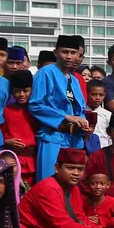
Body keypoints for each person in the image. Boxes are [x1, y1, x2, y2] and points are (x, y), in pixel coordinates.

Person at [19, 148, 114, 228]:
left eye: (80, 169)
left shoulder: (73, 188)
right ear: (57, 168)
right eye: (70, 168)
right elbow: (63, 224)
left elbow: (79, 218)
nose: (76, 173)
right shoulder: (48, 188)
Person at [30, 35, 91, 182]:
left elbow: (79, 110)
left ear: (78, 55)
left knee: (71, 185)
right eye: (65, 52)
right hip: (53, 136)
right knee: (48, 183)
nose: (69, 56)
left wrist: (84, 124)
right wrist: (65, 116)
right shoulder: (46, 73)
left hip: (73, 139)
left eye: (73, 52)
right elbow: (35, 105)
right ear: (56, 52)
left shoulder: (74, 80)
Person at [1, 70, 38, 184]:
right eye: (17, 91)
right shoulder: (6, 111)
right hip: (12, 160)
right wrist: (7, 141)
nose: (22, 94)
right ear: (11, 91)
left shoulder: (37, 111)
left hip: (33, 160)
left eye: (26, 91)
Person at [86, 79, 112, 151]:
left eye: (101, 95)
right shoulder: (81, 113)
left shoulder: (108, 115)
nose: (97, 98)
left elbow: (110, 137)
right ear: (87, 93)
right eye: (94, 94)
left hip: (103, 149)